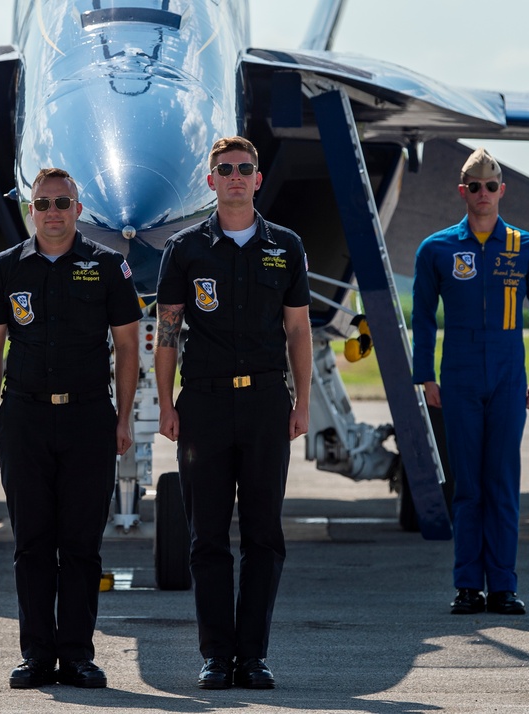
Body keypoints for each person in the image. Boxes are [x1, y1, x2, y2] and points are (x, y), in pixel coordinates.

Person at [154, 136, 313, 690]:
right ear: (211, 181)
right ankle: (216, 656)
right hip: (204, 405)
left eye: (245, 168)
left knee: (265, 535)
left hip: (268, 401)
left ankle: (254, 656)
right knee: (207, 538)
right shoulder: (185, 249)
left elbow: (298, 330)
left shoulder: (286, 247)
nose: (236, 177)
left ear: (258, 179)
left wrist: (303, 402)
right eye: (226, 169)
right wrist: (166, 402)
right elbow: (168, 331)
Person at [0, 167, 143, 689]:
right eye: (43, 203)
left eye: (63, 204)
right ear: (31, 209)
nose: (53, 212)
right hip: (23, 417)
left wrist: (123, 418)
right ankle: (37, 656)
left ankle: (77, 654)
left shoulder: (109, 266)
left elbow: (128, 346)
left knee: (80, 545)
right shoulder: (5, 270)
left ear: (78, 209)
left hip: (88, 417)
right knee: (31, 543)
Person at [411, 147, 529, 616]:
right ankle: (468, 586)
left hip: (509, 375)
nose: (483, 194)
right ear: (462, 191)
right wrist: (424, 375)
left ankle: (504, 586)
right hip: (458, 375)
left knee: (502, 481)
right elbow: (423, 318)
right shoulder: (437, 249)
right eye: (474, 186)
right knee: (468, 484)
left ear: (502, 191)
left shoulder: (526, 248)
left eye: (491, 186)